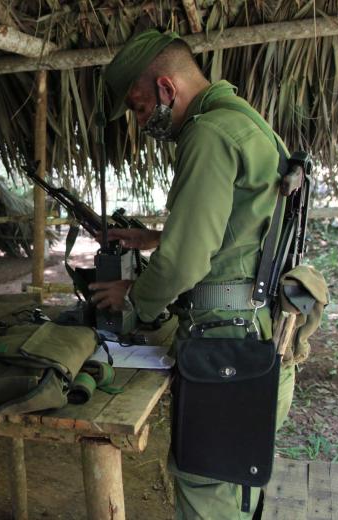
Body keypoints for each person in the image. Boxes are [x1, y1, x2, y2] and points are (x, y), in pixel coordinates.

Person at [88, 30, 296, 518]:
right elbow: (243, 227)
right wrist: (156, 238)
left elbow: (187, 262)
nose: (142, 122)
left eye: (139, 108)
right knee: (235, 492)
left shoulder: (208, 133)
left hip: (226, 354)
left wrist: (133, 297)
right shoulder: (250, 126)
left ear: (166, 88)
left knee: (209, 498)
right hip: (259, 342)